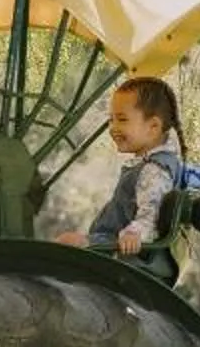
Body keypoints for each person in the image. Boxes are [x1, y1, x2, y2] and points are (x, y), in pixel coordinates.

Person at [55, 76, 186, 284]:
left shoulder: (154, 170)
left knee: (64, 243)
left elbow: (151, 211)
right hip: (117, 245)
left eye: (122, 119)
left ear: (153, 127)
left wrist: (135, 233)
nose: (113, 127)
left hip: (125, 252)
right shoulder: (153, 164)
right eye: (111, 119)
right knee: (66, 243)